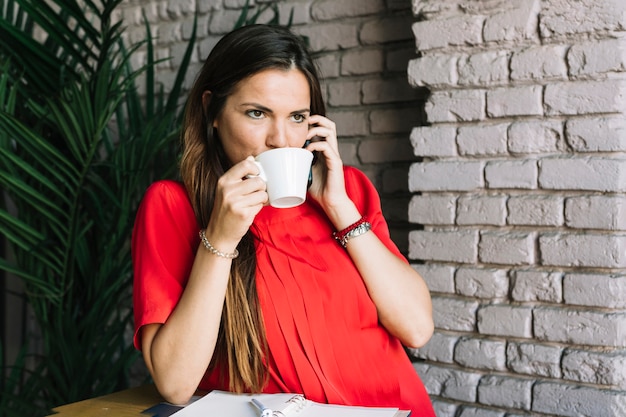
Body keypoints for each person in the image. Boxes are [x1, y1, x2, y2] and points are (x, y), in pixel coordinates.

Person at [132, 24, 436, 416]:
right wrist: (220, 241)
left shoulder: (350, 192)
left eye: (297, 117)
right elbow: (175, 384)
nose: (281, 139)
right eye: (257, 113)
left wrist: (340, 209)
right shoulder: (174, 206)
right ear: (212, 112)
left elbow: (416, 328)